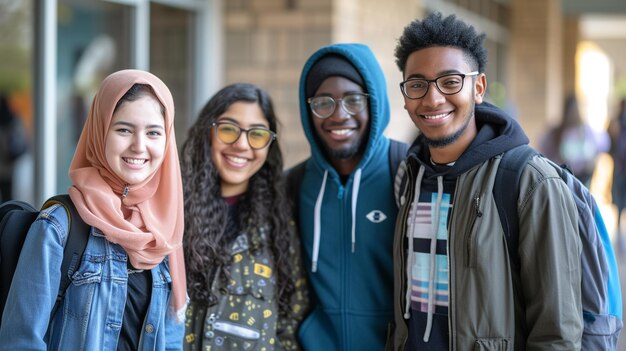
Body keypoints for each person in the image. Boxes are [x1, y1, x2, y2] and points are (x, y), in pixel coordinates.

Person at [387, 13, 582, 350]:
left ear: (478, 88)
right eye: (418, 84)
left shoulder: (531, 182)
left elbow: (557, 332)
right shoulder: (410, 176)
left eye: (450, 81)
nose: (432, 99)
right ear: (405, 95)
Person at [0, 69, 186, 350]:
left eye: (153, 132)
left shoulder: (164, 229)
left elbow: (171, 338)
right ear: (100, 131)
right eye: (124, 129)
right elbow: (21, 341)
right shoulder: (59, 226)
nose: (139, 145)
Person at [287, 43, 406, 350]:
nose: (339, 115)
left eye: (353, 100)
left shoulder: (408, 172)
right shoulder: (294, 184)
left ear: (374, 103)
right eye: (323, 103)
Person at [180, 83, 309, 350]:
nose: (241, 145)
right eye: (228, 129)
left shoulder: (280, 225)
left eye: (258, 134)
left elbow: (291, 322)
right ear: (208, 131)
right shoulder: (172, 212)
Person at [539, 94, 609, 185]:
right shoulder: (557, 132)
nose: (572, 114)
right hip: (562, 178)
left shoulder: (585, 131)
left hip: (581, 178)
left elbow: (603, 143)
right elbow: (543, 147)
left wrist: (591, 161)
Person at [0, 93, 29, 201]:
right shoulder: (14, 119)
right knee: (8, 192)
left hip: (5, 163)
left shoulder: (11, 121)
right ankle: (6, 214)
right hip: (9, 164)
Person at [609, 98, 626, 248]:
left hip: (621, 167)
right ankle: (619, 232)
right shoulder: (617, 123)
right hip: (620, 168)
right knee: (619, 202)